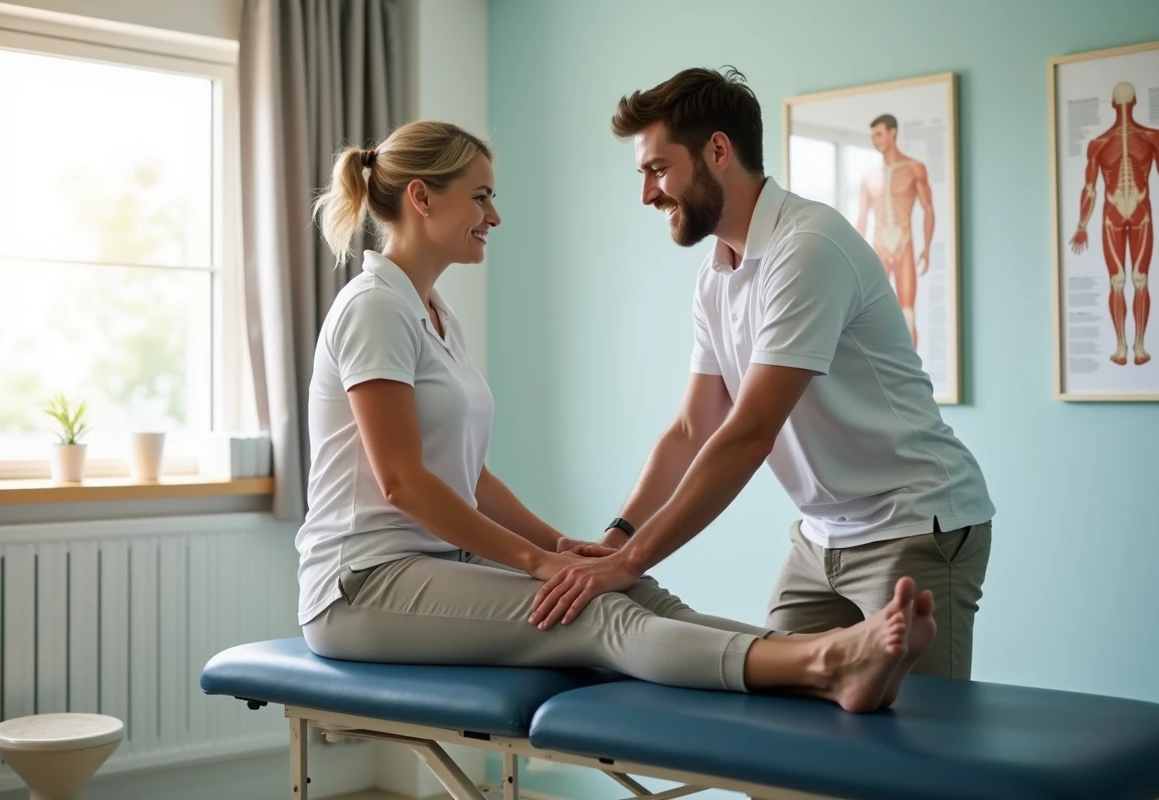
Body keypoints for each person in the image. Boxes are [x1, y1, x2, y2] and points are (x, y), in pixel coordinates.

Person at [294, 118, 935, 714]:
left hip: (432, 565)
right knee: (594, 616)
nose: (495, 216)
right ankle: (825, 661)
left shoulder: (434, 314)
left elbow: (469, 477)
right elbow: (403, 482)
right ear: (422, 197)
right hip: (359, 585)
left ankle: (828, 660)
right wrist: (534, 562)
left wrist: (560, 547)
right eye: (480, 197)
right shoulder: (374, 308)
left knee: (630, 591)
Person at [533, 67, 995, 681]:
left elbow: (749, 432)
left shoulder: (807, 247)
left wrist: (631, 562)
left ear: (717, 151)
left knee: (914, 730)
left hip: (914, 523)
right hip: (821, 537)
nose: (647, 195)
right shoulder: (716, 273)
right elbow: (692, 428)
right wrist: (618, 537)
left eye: (658, 169)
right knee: (779, 709)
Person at [1070, 80, 1157, 367]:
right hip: (1124, 214)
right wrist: (1081, 225)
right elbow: (1090, 188)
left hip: (1128, 212)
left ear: (1113, 103)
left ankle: (1134, 346)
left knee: (1132, 280)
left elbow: (1090, 189)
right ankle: (1128, 346)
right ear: (1135, 102)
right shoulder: (1106, 143)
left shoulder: (1111, 142)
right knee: (1125, 280)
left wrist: (1082, 225)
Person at [854, 113, 934, 349]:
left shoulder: (914, 168)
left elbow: (928, 209)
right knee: (873, 315)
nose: (875, 140)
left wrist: (927, 248)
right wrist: (855, 255)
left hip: (903, 244)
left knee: (907, 313)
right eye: (873, 136)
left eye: (879, 134)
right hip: (879, 245)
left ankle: (911, 368)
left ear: (892, 133)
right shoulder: (868, 177)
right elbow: (862, 217)